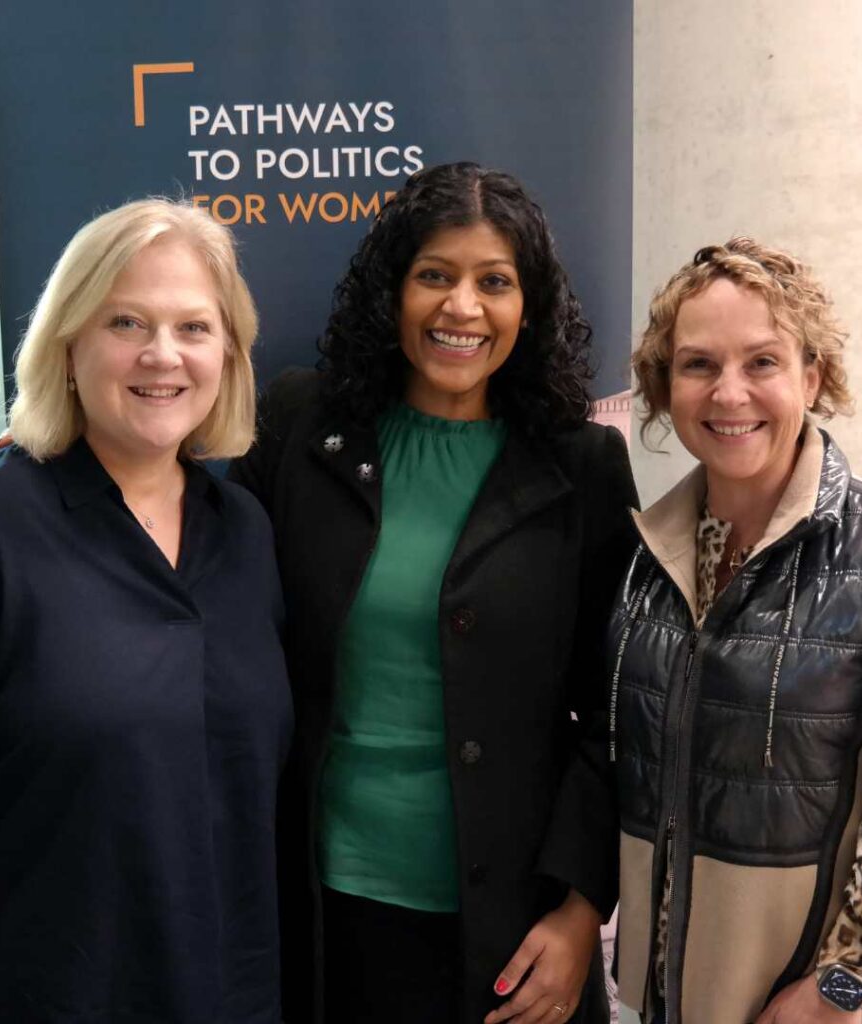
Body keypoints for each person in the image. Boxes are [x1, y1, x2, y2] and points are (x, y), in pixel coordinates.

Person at [229, 162, 638, 1024]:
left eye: (495, 282)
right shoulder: (303, 426)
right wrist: (62, 456)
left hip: (511, 929)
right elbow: (191, 546)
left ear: (529, 307)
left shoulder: (580, 465)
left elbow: (616, 712)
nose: (463, 308)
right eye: (434, 277)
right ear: (393, 294)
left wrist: (579, 912)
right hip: (324, 909)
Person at [0, 199, 292, 1023]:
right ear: (68, 345)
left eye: (194, 327)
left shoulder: (246, 535)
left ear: (229, 351)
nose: (163, 355)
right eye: (127, 322)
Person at [612, 238, 862, 1023]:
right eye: (697, 365)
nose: (729, 394)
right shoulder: (648, 560)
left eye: (762, 362)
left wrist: (841, 986)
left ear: (811, 376)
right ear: (663, 384)